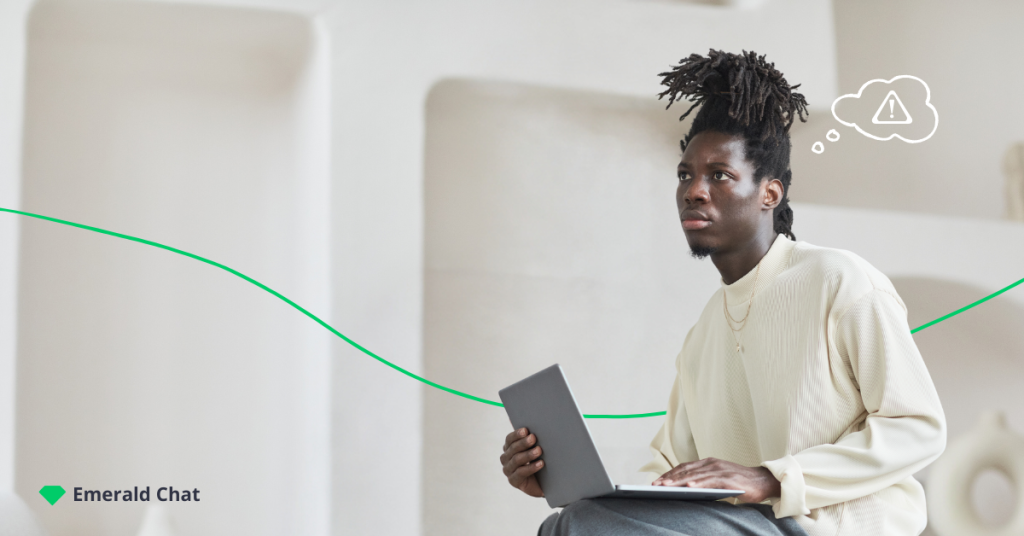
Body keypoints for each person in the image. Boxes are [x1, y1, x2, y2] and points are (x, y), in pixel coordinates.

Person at [499, 49, 947, 536]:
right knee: (565, 524)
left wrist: (769, 478)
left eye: (720, 175)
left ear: (769, 195)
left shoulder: (839, 280)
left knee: (580, 526)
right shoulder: (703, 335)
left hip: (822, 528)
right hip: (737, 524)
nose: (694, 189)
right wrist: (560, 480)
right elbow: (670, 473)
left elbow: (918, 427)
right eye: (685, 174)